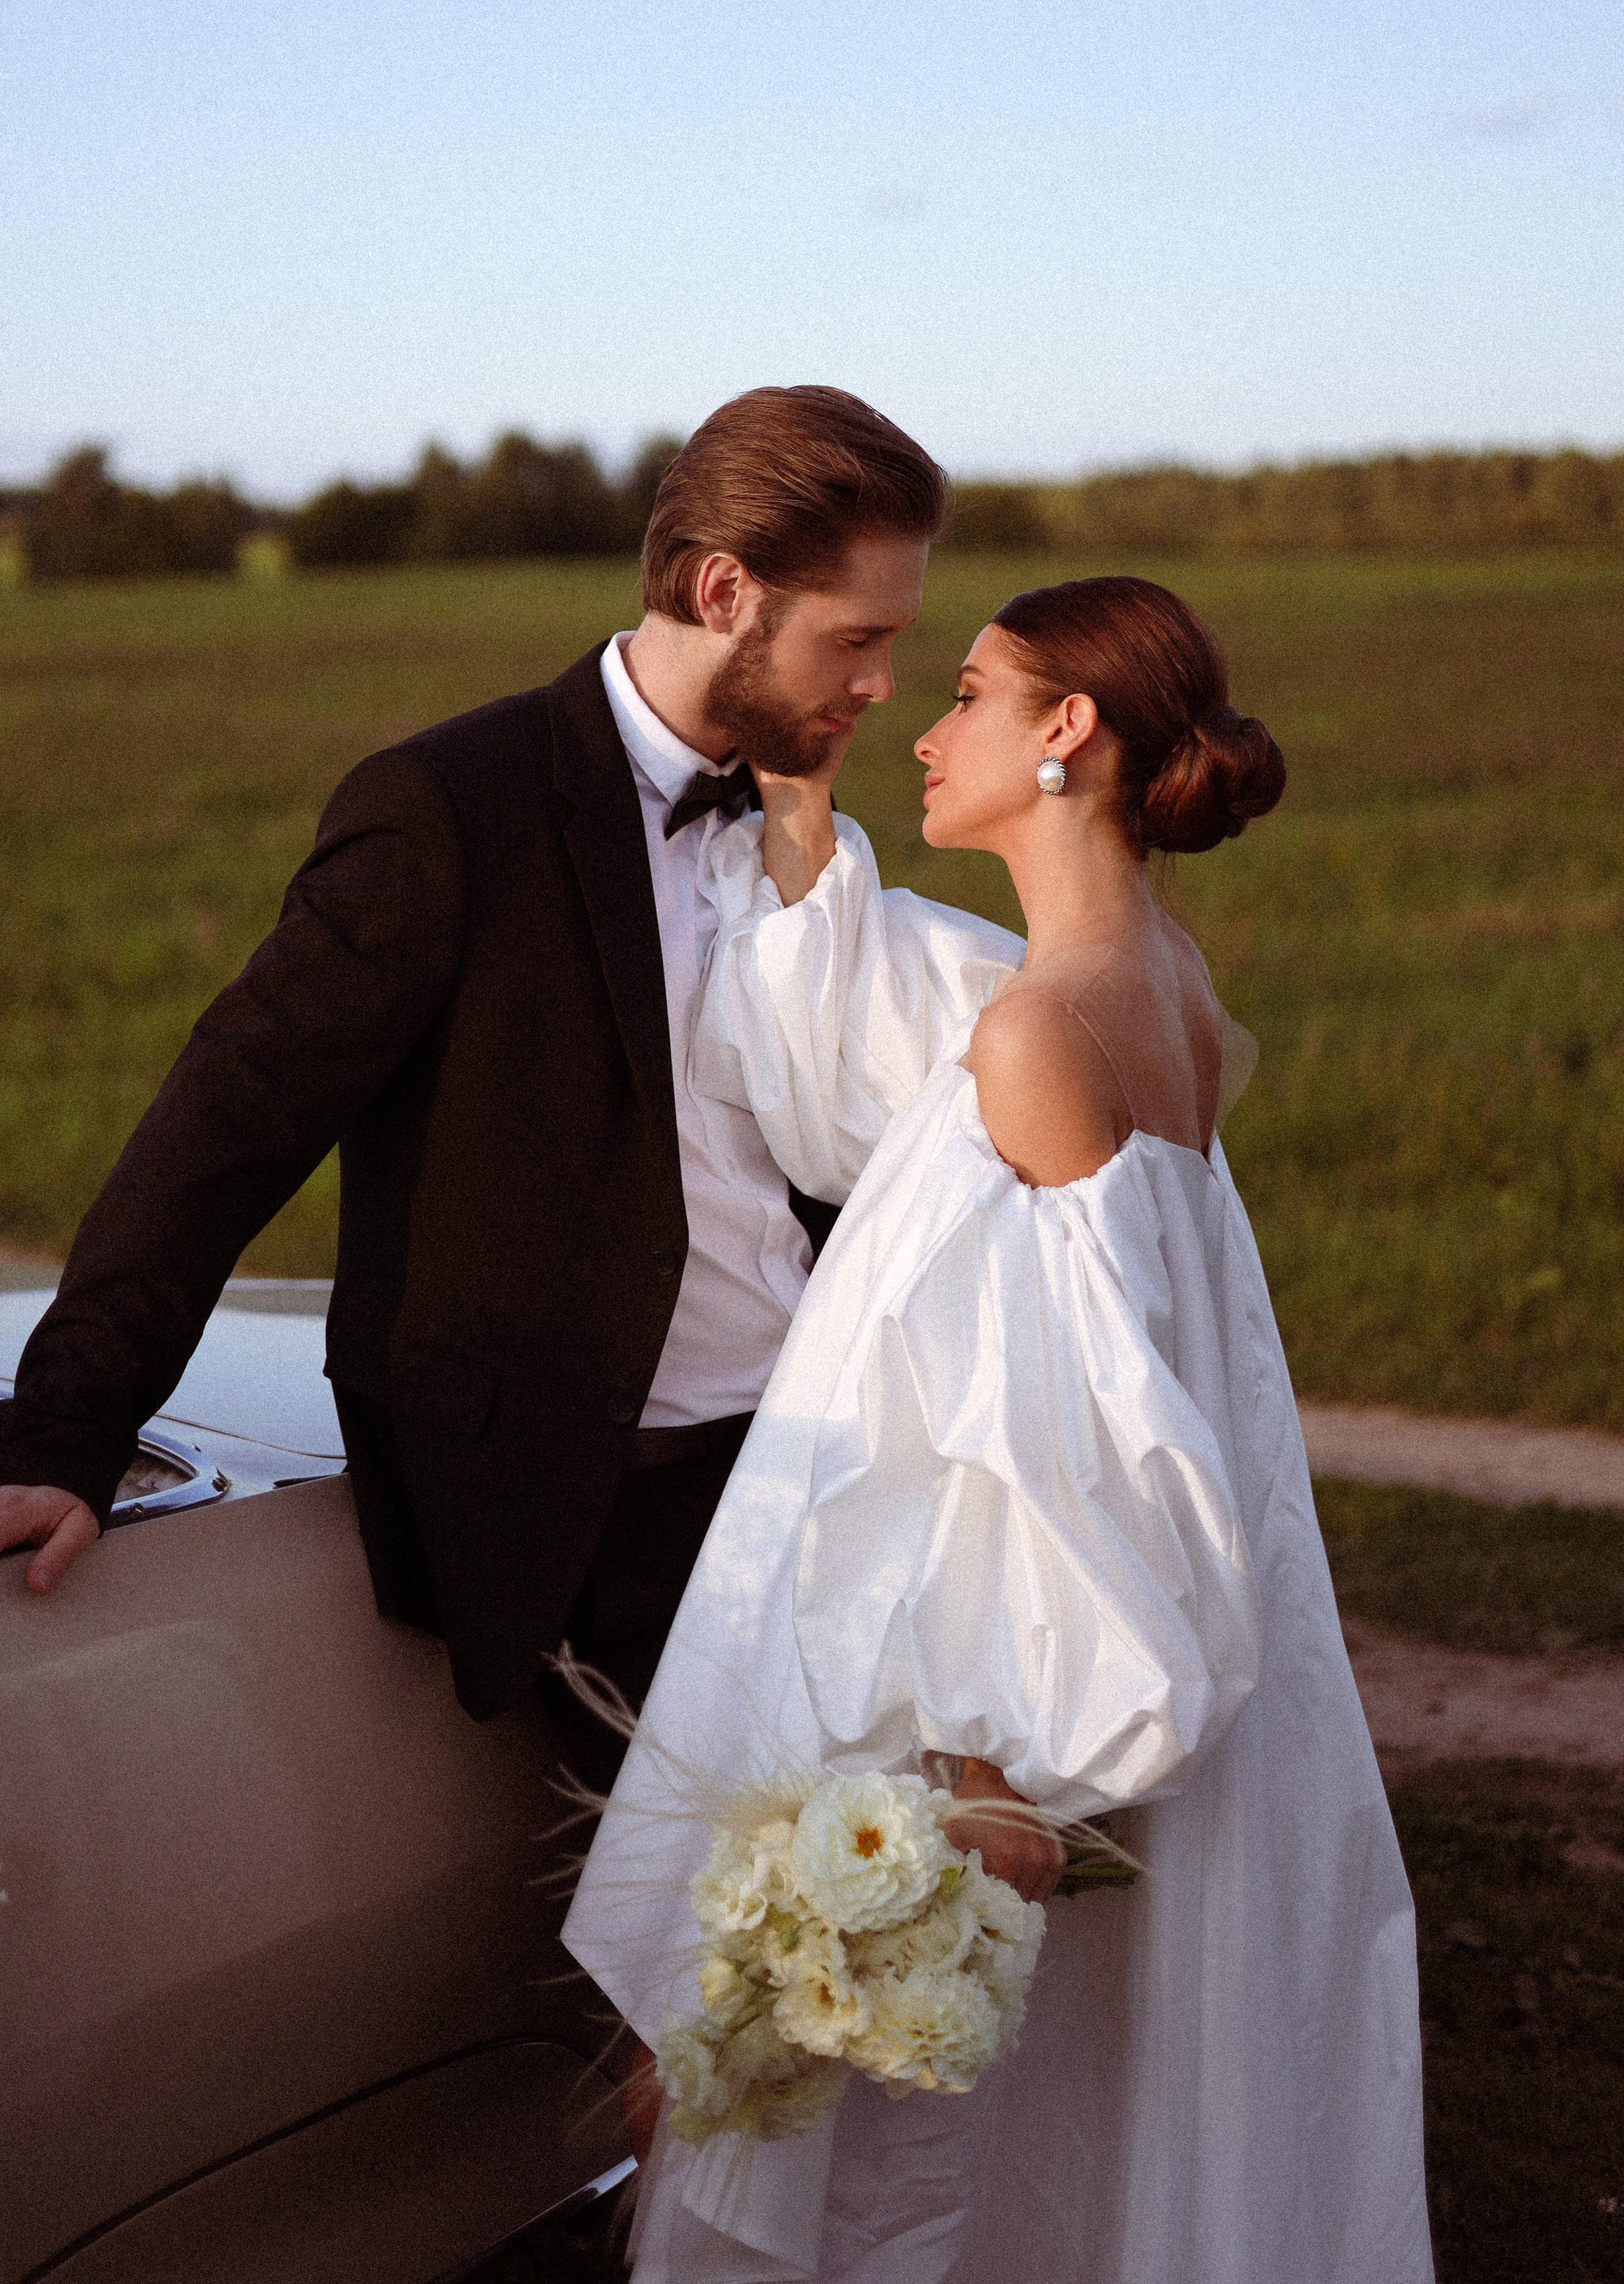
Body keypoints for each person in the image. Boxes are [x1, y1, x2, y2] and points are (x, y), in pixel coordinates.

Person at [0, 387, 948, 1756]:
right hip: (607, 1513)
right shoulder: (449, 810)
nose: (880, 684)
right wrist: (60, 1442)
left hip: (817, 1462)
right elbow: (229, 1121)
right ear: (725, 591)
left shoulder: (799, 809)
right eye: (858, 639)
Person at [564, 575, 1434, 2284]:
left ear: (1067, 729)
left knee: (912, 2172)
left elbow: (1050, 1450)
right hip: (1069, 1700)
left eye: (968, 691)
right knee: (1091, 2141)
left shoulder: (1043, 1029)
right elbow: (909, 1117)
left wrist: (964, 1796)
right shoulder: (1153, 986)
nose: (926, 727)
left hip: (985, 1726)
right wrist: (796, 814)